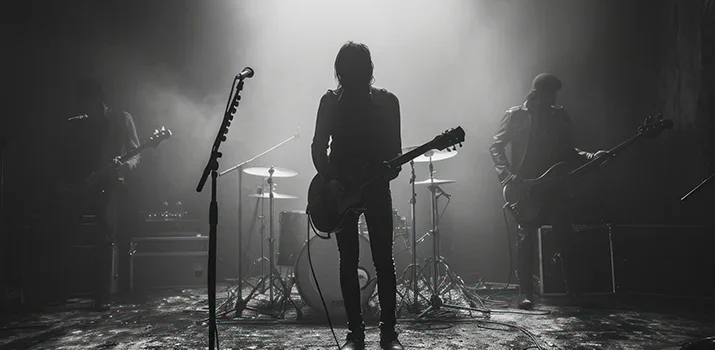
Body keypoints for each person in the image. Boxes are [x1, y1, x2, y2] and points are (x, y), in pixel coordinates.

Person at [311, 42, 403, 350]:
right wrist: (331, 180)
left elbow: (395, 156)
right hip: (340, 191)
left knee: (378, 260)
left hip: (375, 187)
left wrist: (389, 168)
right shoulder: (331, 102)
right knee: (353, 259)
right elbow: (318, 147)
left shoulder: (387, 102)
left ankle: (385, 330)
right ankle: (358, 330)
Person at [489, 73, 607, 309]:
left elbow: (569, 150)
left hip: (554, 185)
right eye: (549, 94)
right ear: (537, 93)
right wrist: (508, 177)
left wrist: (591, 156)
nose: (553, 99)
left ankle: (575, 292)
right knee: (526, 238)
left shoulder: (558, 115)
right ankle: (526, 294)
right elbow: (496, 147)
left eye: (554, 94)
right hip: (526, 186)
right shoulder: (516, 116)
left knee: (566, 236)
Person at [74, 78, 140, 310]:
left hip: (111, 184)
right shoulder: (79, 123)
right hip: (85, 184)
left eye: (92, 104)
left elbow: (135, 151)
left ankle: (103, 297)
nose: (88, 109)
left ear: (101, 101)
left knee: (106, 237)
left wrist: (126, 166)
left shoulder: (122, 119)